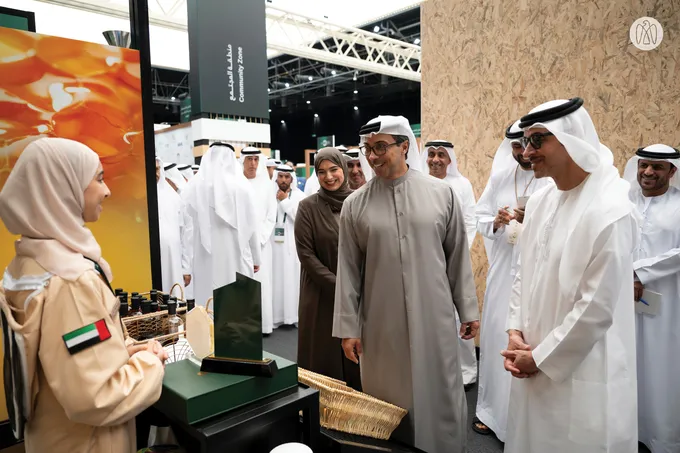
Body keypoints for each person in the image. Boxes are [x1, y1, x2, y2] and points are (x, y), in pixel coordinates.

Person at [0, 137, 167, 453]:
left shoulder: (26, 265)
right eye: (99, 178)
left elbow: (65, 360)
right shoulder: (71, 282)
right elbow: (96, 397)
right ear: (63, 187)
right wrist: (151, 362)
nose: (107, 190)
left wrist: (125, 350)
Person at [332, 115, 479, 453]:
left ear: (404, 147)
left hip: (434, 317)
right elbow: (348, 271)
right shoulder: (355, 204)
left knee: (439, 390)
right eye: (368, 149)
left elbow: (457, 257)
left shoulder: (442, 194)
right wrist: (348, 329)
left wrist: (468, 309)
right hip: (380, 323)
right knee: (387, 399)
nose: (372, 156)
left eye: (380, 147)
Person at [503, 98, 638, 453]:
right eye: (525, 141)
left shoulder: (610, 209)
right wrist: (515, 331)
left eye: (538, 140)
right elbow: (522, 271)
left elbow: (596, 308)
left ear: (570, 139)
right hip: (528, 353)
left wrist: (541, 358)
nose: (527, 152)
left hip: (580, 364)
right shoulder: (542, 200)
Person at [472, 124, 553, 439]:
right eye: (516, 147)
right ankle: (492, 413)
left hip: (538, 272)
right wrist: (496, 221)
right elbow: (478, 216)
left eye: (526, 145)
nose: (522, 153)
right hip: (504, 269)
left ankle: (524, 423)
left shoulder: (552, 178)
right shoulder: (500, 178)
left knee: (531, 337)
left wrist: (532, 218)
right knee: (497, 336)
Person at [623, 144, 680, 453]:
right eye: (643, 165)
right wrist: (625, 275)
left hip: (668, 300)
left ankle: (662, 438)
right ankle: (626, 429)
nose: (647, 172)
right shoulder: (624, 202)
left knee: (661, 364)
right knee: (625, 359)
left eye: (657, 167)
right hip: (621, 295)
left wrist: (639, 272)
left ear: (672, 171)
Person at [294, 147, 361, 389]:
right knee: (323, 354)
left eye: (334, 169)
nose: (328, 176)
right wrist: (340, 286)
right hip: (321, 294)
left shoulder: (359, 201)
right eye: (321, 172)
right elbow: (306, 255)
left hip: (356, 292)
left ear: (343, 168)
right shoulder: (307, 207)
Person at [420, 139, 479, 389]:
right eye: (431, 154)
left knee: (460, 318)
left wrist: (455, 255)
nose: (435, 160)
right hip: (426, 264)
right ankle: (433, 372)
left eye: (441, 155)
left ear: (449, 159)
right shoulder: (419, 183)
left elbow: (471, 222)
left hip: (453, 263)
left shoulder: (462, 185)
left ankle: (466, 372)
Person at [182, 142, 261, 307]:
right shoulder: (243, 187)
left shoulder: (194, 187)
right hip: (235, 257)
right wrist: (256, 258)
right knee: (235, 305)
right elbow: (252, 227)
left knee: (208, 304)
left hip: (205, 259)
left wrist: (187, 266)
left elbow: (188, 230)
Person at [241, 147, 277, 335]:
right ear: (243, 161)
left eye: (256, 159)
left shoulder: (267, 185)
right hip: (240, 246)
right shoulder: (237, 183)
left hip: (262, 245)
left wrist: (259, 239)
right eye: (249, 159)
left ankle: (263, 326)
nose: (253, 163)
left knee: (262, 284)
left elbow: (271, 216)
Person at [272, 164, 306, 327]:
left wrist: (285, 201)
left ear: (292, 178)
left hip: (292, 245)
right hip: (273, 245)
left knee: (292, 279)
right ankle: (276, 317)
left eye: (287, 177)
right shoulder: (269, 195)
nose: (283, 180)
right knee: (275, 280)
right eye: (280, 176)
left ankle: (292, 317)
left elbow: (301, 219)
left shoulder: (300, 196)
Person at [155, 157, 193, 297]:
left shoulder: (174, 198)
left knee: (173, 297)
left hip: (173, 261)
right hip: (149, 262)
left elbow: (184, 236)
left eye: (157, 169)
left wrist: (186, 268)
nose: (156, 173)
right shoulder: (138, 197)